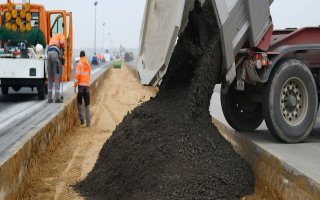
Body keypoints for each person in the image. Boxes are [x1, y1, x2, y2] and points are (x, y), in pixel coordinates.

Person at [74, 51, 91, 127]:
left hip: (81, 86)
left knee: (79, 103)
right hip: (87, 86)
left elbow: (77, 76)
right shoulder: (87, 64)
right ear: (85, 56)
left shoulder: (79, 64)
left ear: (80, 56)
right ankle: (88, 123)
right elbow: (89, 75)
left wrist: (75, 85)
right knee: (87, 104)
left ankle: (82, 122)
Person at [47, 33, 65, 103]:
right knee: (57, 76)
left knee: (50, 77)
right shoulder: (61, 35)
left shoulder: (53, 38)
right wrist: (63, 48)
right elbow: (62, 42)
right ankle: (57, 98)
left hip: (48, 54)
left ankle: (49, 98)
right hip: (55, 54)